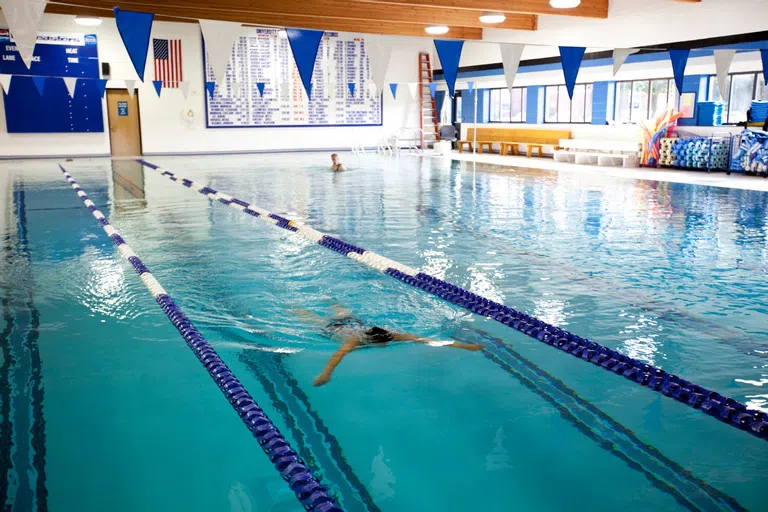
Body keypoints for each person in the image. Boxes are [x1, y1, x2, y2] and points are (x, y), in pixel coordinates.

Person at [297, 305, 484, 386]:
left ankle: (331, 302)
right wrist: (326, 373)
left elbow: (425, 340)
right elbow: (338, 356)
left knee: (345, 314)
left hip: (353, 323)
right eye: (384, 344)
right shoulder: (354, 341)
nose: (387, 345)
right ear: (372, 341)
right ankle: (296, 308)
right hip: (333, 330)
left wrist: (464, 347)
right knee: (312, 319)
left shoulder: (392, 335)